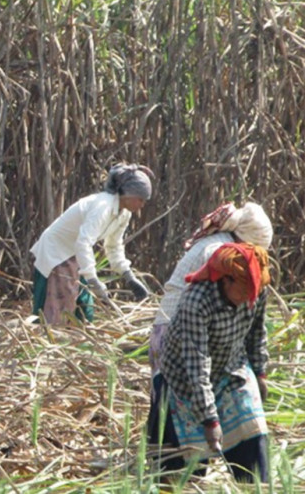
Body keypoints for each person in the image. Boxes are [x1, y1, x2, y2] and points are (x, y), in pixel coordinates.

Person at [150, 242, 270, 483]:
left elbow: (257, 333)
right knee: (183, 473)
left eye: (252, 294)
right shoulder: (197, 301)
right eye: (243, 292)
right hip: (185, 382)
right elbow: (197, 363)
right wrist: (210, 420)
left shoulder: (255, 292)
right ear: (225, 281)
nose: (248, 299)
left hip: (231, 371)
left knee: (254, 445)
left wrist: (260, 373)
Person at [150, 202, 273, 379]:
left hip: (175, 330)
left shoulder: (221, 245)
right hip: (173, 334)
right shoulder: (221, 255)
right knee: (172, 402)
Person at [29, 163, 154, 325]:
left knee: (84, 309)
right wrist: (93, 280)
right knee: (58, 310)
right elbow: (84, 242)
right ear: (129, 194)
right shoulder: (103, 207)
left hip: (75, 255)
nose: (142, 205)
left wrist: (129, 277)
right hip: (57, 253)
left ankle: (79, 343)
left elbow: (114, 246)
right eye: (140, 200)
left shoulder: (123, 215)